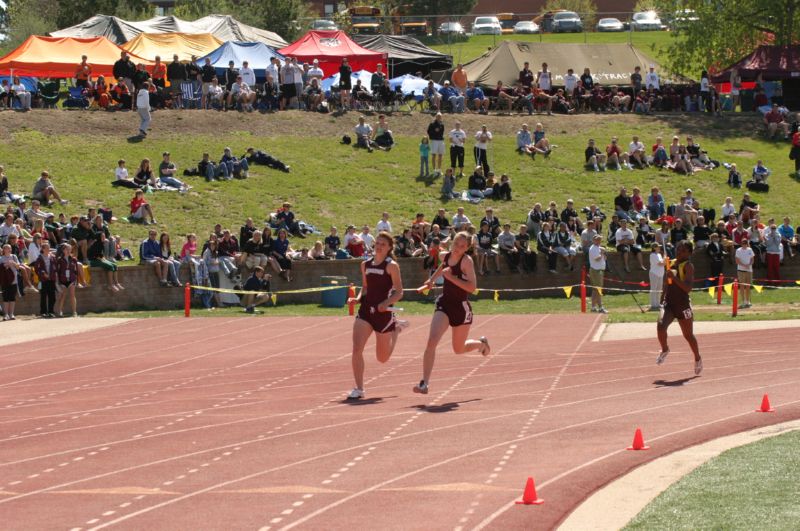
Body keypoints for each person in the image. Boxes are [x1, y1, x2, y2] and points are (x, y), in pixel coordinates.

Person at [413, 231, 490, 394]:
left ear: (467, 248)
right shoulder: (445, 255)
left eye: (462, 246)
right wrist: (431, 280)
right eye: (456, 244)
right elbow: (443, 266)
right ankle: (424, 383)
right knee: (432, 341)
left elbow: (472, 287)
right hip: (445, 304)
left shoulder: (467, 262)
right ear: (452, 242)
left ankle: (481, 344)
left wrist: (452, 278)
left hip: (461, 308)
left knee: (458, 349)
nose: (458, 248)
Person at [347, 232, 407, 399]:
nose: (379, 246)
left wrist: (386, 304)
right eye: (378, 243)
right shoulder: (365, 264)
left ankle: (395, 331)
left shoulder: (391, 266)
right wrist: (357, 299)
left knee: (382, 358)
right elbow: (365, 288)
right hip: (366, 312)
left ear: (389, 248)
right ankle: (359, 389)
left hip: (383, 315)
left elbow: (399, 292)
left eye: (383, 244)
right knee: (356, 349)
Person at [656, 240, 703, 375]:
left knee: (688, 335)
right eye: (678, 249)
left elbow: (688, 288)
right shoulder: (671, 263)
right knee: (660, 326)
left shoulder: (688, 266)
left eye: (682, 250)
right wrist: (662, 295)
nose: (679, 252)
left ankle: (697, 358)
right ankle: (665, 349)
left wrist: (674, 278)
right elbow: (667, 282)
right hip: (669, 304)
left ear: (689, 253)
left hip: (683, 305)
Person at [55, 242, 79, 318]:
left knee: (72, 295)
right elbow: (57, 271)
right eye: (67, 249)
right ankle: (60, 311)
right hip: (63, 280)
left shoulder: (73, 259)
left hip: (72, 280)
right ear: (63, 250)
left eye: (69, 249)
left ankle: (74, 312)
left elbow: (76, 271)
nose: (68, 251)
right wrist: (58, 282)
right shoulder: (59, 260)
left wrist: (76, 280)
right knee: (63, 296)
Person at [588, 234, 607, 313]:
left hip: (600, 270)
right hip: (596, 270)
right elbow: (597, 259)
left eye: (599, 239)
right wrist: (602, 253)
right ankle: (600, 307)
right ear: (593, 240)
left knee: (596, 289)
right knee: (598, 289)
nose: (599, 241)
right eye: (597, 239)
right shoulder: (593, 248)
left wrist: (604, 253)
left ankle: (594, 307)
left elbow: (604, 259)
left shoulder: (598, 247)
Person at [649, 242, 665, 310]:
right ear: (654, 248)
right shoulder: (652, 255)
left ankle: (658, 304)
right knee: (654, 289)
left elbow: (663, 263)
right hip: (654, 273)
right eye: (658, 247)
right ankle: (653, 304)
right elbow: (660, 263)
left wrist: (665, 259)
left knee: (659, 289)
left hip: (660, 274)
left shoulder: (659, 254)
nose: (659, 248)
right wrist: (665, 258)